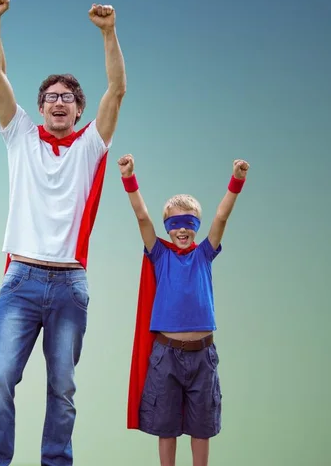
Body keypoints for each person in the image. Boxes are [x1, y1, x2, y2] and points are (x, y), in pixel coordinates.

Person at [0, 0, 126, 466]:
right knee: (1, 379)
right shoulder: (20, 136)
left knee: (62, 389)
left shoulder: (90, 147)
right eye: (50, 98)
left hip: (69, 283)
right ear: (40, 106)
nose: (58, 103)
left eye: (67, 98)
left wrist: (108, 33)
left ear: (79, 110)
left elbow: (117, 90)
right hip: (21, 280)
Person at [117, 153, 249, 466]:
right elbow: (142, 218)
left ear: (196, 227)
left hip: (203, 355)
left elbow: (221, 218)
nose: (182, 230)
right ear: (167, 227)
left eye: (189, 223)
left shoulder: (205, 254)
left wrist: (237, 181)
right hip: (166, 355)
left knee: (201, 426)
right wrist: (128, 177)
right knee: (166, 426)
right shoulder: (159, 255)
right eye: (175, 224)